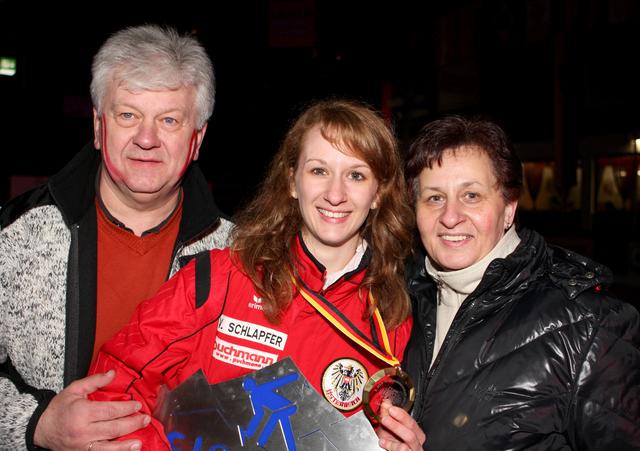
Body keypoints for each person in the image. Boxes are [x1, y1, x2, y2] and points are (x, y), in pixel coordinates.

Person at [88, 99, 425, 450]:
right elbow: (113, 386)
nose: (335, 194)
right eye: (318, 171)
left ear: (378, 193)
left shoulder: (391, 317)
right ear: (292, 181)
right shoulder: (218, 279)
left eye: (356, 175)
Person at [0, 25, 233, 450]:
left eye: (169, 120)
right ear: (97, 125)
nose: (146, 138)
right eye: (128, 115)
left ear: (196, 139)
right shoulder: (17, 236)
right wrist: (36, 425)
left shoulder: (240, 258)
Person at [402, 115, 640, 450]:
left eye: (471, 195)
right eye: (434, 198)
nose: (450, 216)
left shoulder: (589, 326)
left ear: (509, 208)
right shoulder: (402, 302)